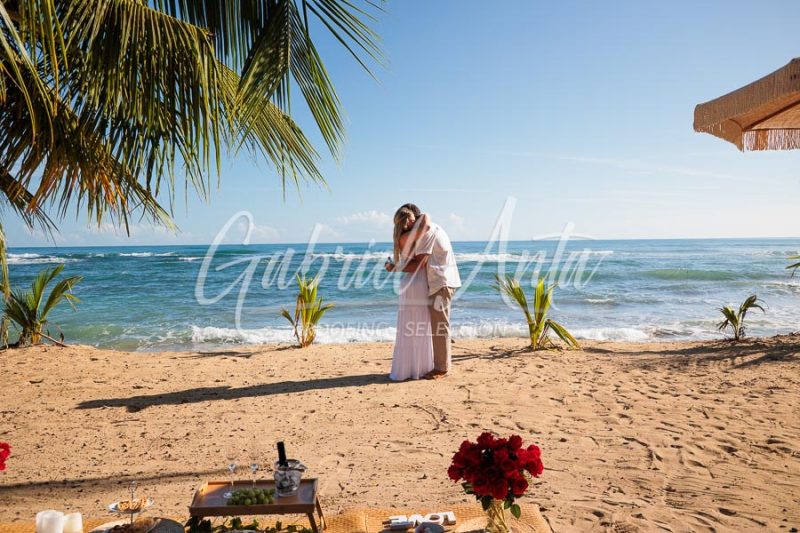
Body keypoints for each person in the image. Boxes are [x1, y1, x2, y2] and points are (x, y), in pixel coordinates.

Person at [386, 203, 461, 379]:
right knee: (437, 324)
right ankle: (440, 364)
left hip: (441, 281)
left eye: (409, 223)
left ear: (416, 218)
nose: (408, 227)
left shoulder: (428, 231)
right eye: (405, 225)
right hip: (438, 280)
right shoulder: (425, 229)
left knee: (440, 325)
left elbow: (420, 263)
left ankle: (441, 368)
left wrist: (395, 267)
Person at [386, 207, 434, 381]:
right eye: (414, 218)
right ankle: (421, 368)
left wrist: (394, 267)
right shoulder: (414, 235)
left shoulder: (399, 239)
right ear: (408, 220)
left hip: (407, 282)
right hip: (418, 281)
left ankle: (406, 369)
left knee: (408, 327)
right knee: (420, 325)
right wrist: (423, 217)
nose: (416, 221)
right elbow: (427, 224)